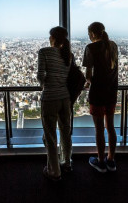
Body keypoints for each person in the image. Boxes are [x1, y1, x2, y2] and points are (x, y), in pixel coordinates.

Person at [37, 26, 72, 181]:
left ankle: (54, 170)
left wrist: (44, 84)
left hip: (50, 98)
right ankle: (66, 162)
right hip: (65, 98)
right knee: (65, 133)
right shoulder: (68, 55)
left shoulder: (44, 52)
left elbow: (40, 76)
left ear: (52, 38)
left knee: (50, 136)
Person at [83, 22, 118, 173]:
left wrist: (87, 82)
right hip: (111, 92)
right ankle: (111, 160)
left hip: (97, 92)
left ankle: (101, 161)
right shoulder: (113, 45)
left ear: (91, 34)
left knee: (99, 130)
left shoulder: (90, 48)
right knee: (110, 127)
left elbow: (88, 75)